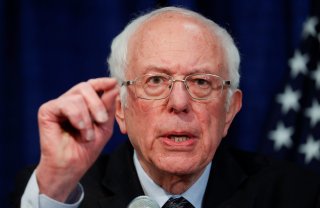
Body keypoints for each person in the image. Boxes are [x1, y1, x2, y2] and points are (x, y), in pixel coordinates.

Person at [13, 6, 320, 208]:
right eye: (156, 80)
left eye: (201, 82)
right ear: (120, 107)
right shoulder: (61, 194)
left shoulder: (298, 195)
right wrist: (56, 187)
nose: (179, 103)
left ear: (230, 110)